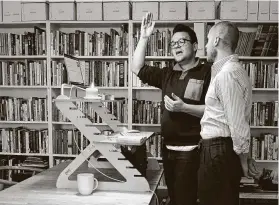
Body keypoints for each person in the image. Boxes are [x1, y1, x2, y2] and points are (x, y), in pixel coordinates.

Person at [132, 12, 211, 205]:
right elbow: (137, 68)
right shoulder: (167, 73)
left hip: (192, 151)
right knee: (175, 198)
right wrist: (143, 37)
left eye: (181, 42)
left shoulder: (207, 72)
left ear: (194, 46)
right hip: (168, 149)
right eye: (173, 43)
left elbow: (215, 111)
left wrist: (184, 108)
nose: (176, 46)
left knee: (186, 200)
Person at [198, 21, 261, 205]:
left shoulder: (227, 74)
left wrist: (243, 160)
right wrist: (244, 157)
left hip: (218, 151)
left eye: (208, 40)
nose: (206, 45)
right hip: (220, 151)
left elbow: (237, 123)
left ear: (217, 40)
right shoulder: (234, 72)